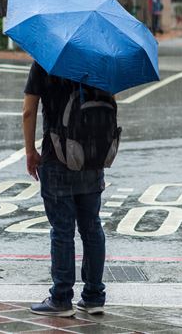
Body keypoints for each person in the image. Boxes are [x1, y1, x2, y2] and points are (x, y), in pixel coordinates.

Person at [23, 62, 107, 317]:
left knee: (62, 230)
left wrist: (30, 151)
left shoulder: (45, 62)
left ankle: (61, 298)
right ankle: (94, 296)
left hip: (57, 156)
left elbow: (29, 111)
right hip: (92, 157)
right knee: (91, 226)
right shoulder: (98, 63)